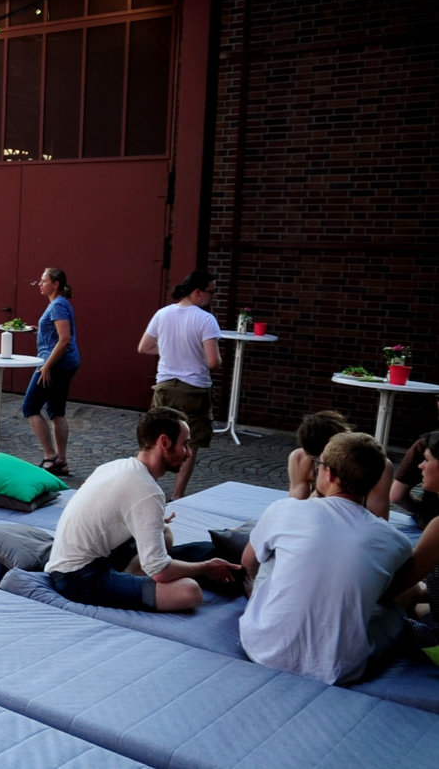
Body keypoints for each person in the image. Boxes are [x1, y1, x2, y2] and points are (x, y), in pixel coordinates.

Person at [240, 431, 411, 685]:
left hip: (262, 647)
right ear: (374, 483)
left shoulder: (285, 509)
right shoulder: (396, 542)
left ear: (328, 473)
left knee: (270, 555)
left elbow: (247, 563)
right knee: (395, 612)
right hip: (340, 668)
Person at [46, 406, 239, 612]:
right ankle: (128, 578)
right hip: (77, 578)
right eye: (185, 444)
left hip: (91, 559)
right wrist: (205, 568)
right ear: (164, 442)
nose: (189, 453)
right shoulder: (147, 491)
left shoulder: (116, 466)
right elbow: (160, 572)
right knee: (189, 592)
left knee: (164, 533)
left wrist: (152, 522)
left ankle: (130, 575)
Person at [137, 270, 222, 500]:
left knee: (156, 439)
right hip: (193, 389)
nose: (212, 297)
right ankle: (177, 495)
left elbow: (143, 347)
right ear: (197, 292)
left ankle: (146, 488)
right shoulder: (206, 319)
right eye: (211, 292)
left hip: (164, 386)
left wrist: (168, 351)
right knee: (189, 444)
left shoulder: (162, 314)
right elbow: (213, 362)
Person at [23, 267, 81, 476]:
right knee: (57, 411)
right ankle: (62, 462)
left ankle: (51, 457)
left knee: (30, 407)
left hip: (54, 364)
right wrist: (38, 332)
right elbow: (58, 336)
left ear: (55, 284)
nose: (39, 284)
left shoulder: (57, 305)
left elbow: (64, 340)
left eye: (43, 280)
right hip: (64, 363)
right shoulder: (60, 305)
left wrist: (46, 367)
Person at [390, 432, 439, 662]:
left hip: (435, 640)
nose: (421, 466)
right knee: (417, 601)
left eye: (427, 460)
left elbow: (400, 584)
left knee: (368, 620)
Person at [286, 410, 391, 518]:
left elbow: (378, 519)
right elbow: (296, 511)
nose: (321, 464)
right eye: (319, 460)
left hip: (355, 522)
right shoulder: (301, 458)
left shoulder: (378, 465)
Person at [392, 411, 439, 527]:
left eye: (427, 459)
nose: (420, 465)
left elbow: (396, 495)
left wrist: (424, 512)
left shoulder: (428, 442)